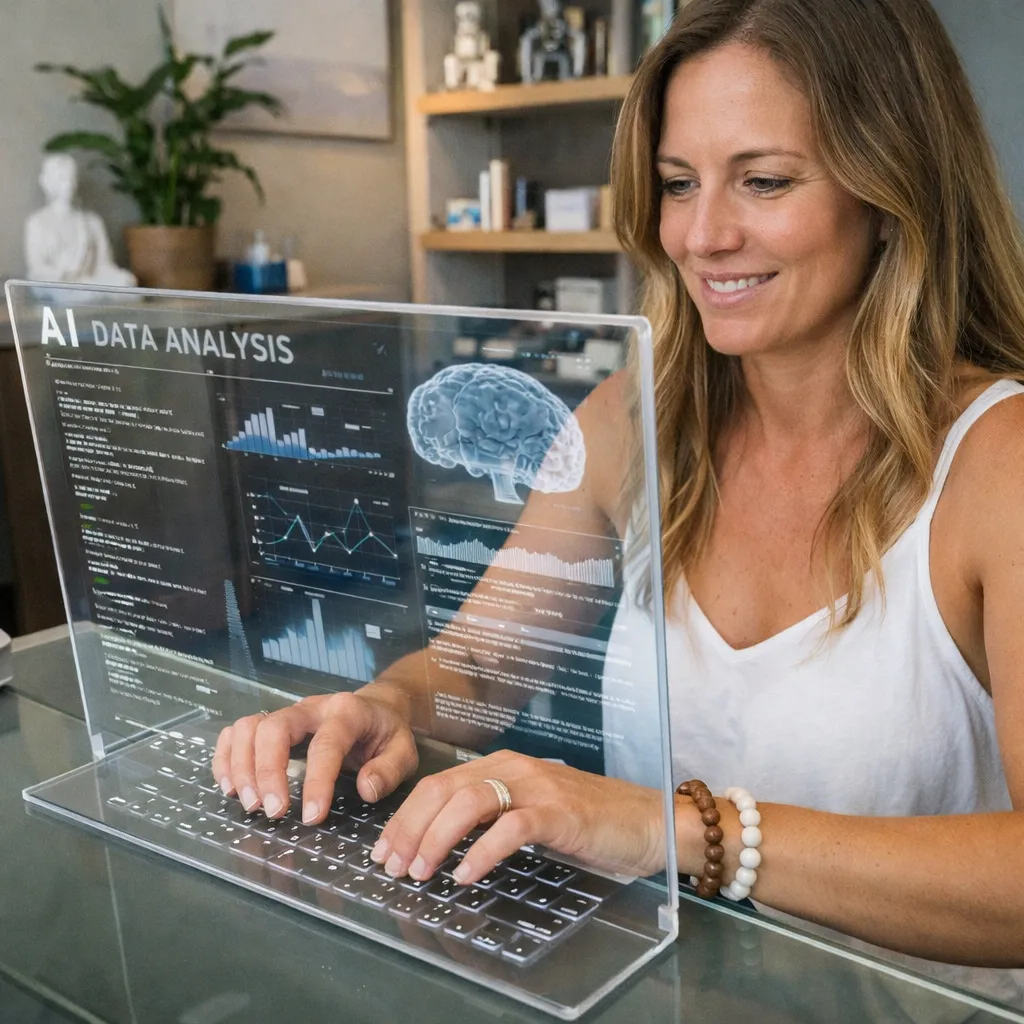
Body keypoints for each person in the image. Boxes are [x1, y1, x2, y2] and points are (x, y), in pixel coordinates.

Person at [213, 0, 1024, 980]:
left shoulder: (998, 461)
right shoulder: (625, 422)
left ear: (893, 190)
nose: (702, 234)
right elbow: (478, 666)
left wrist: (672, 829)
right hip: (665, 987)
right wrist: (386, 702)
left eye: (763, 181)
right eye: (677, 184)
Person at [24, 153, 136, 289]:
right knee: (63, 290)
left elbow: (103, 265)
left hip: (88, 282)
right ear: (47, 181)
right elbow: (36, 268)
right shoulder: (37, 222)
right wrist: (64, 273)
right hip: (59, 283)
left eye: (71, 177)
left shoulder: (92, 222)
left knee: (125, 282)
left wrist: (118, 277)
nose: (68, 183)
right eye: (61, 178)